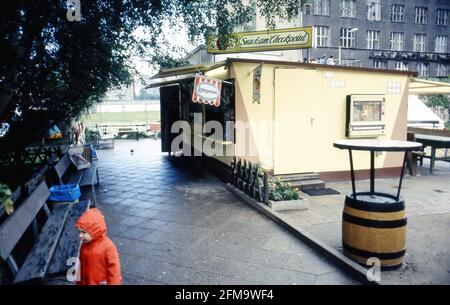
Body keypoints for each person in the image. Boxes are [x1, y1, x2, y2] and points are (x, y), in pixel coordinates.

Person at [75, 208, 122, 285]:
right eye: (80, 232)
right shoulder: (85, 244)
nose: (80, 235)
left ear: (95, 230)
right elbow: (81, 265)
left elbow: (114, 270)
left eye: (84, 232)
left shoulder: (108, 247)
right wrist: (78, 281)